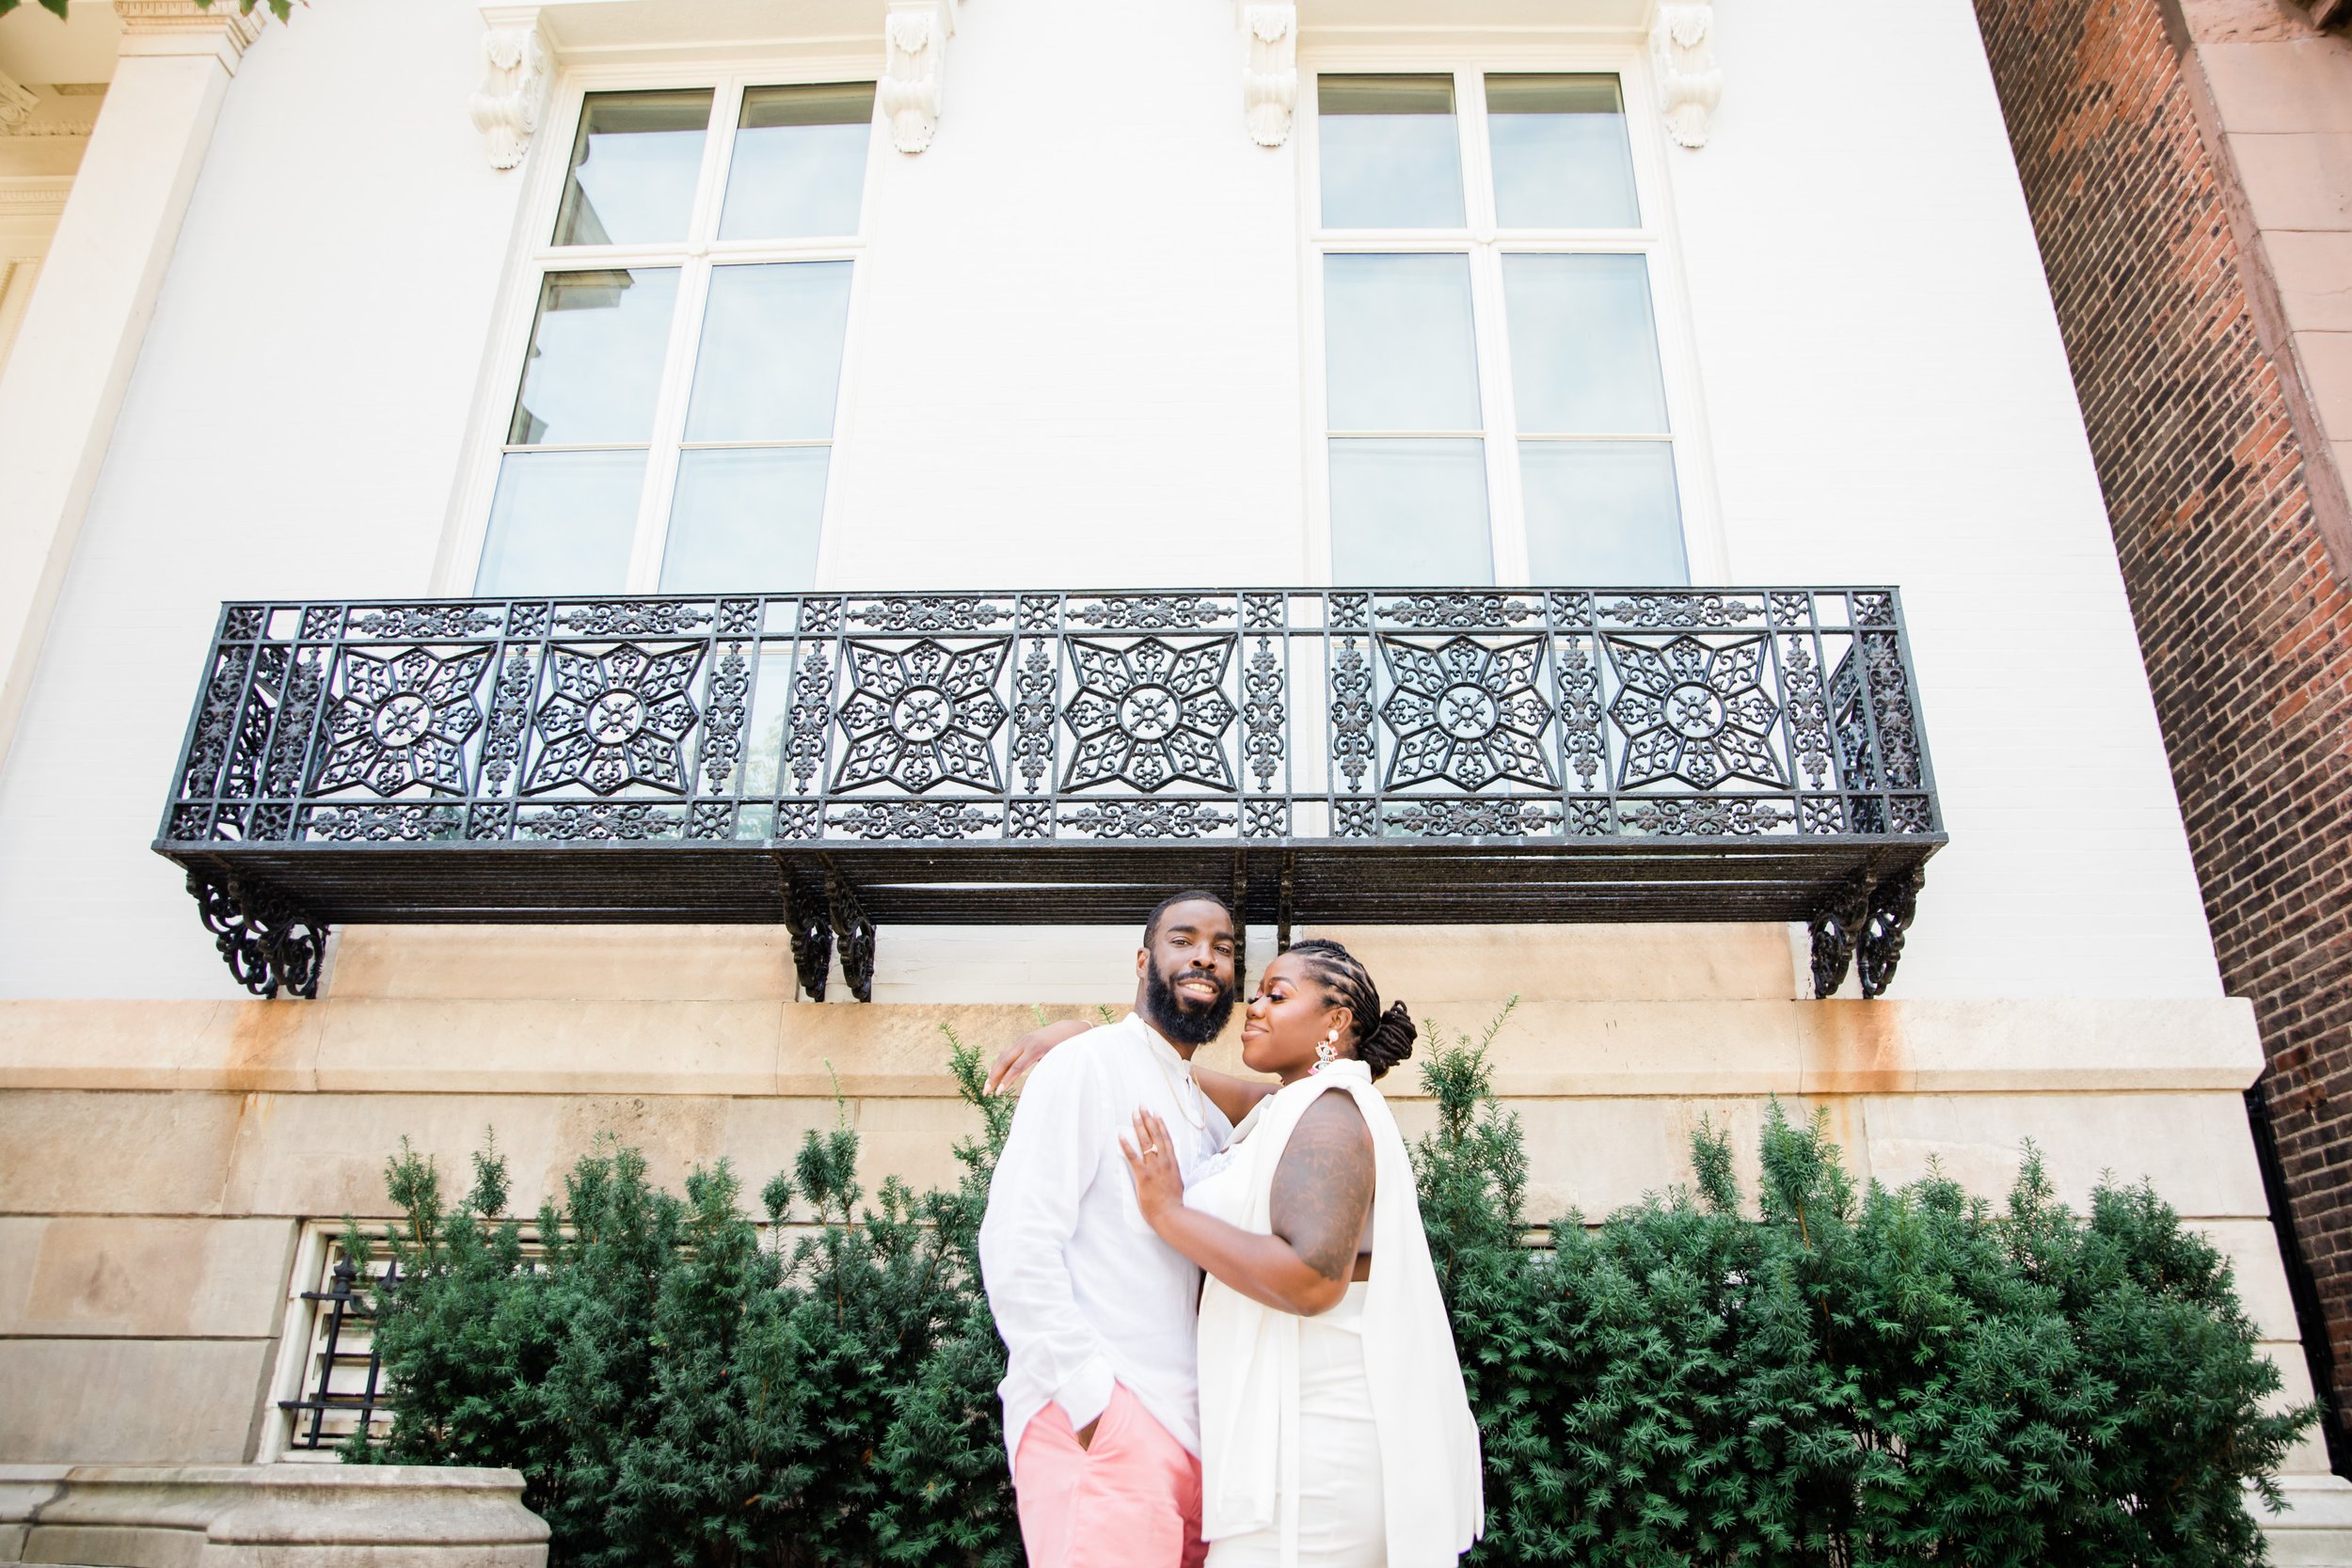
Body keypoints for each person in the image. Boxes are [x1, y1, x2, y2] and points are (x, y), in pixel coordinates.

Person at [994, 937, 1485, 1567]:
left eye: (1276, 996)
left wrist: (1169, 1213)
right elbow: (1163, 1069)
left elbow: (1313, 1278)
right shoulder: (1291, 1107)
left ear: (1336, 1021)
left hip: (1317, 1453)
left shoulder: (1333, 1115)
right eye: (1255, 994)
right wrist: (1092, 1036)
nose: (1253, 1007)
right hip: (1274, 1446)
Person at [977, 890, 1244, 1568]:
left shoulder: (1206, 1116)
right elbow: (1017, 1240)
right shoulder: (1085, 1065)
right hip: (1104, 1426)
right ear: (1142, 958)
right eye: (1183, 939)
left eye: (1224, 946)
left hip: (1194, 1448)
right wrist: (1093, 1404)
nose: (1205, 957)